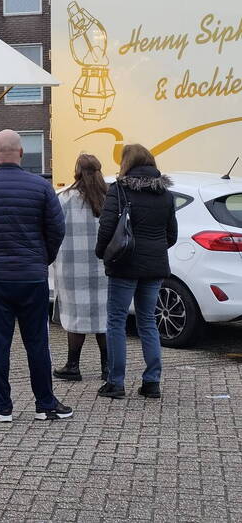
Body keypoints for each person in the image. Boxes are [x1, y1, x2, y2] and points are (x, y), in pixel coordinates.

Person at [0, 130, 72, 423]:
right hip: (32, 276)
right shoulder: (41, 187)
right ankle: (45, 404)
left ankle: (2, 407)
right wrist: (42, 258)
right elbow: (57, 229)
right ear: (21, 153)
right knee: (37, 342)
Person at [94, 144, 177, 400]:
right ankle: (152, 382)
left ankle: (116, 383)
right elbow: (171, 235)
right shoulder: (165, 194)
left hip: (124, 265)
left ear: (126, 163)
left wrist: (101, 253)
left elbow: (107, 228)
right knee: (148, 321)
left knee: (117, 321)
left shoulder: (119, 190)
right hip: (154, 267)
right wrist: (154, 250)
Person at [52, 154, 110, 382]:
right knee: (104, 318)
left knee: (76, 317)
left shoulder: (65, 198)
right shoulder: (109, 198)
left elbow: (54, 230)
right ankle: (107, 367)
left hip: (72, 268)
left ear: (77, 171)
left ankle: (73, 365)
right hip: (104, 267)